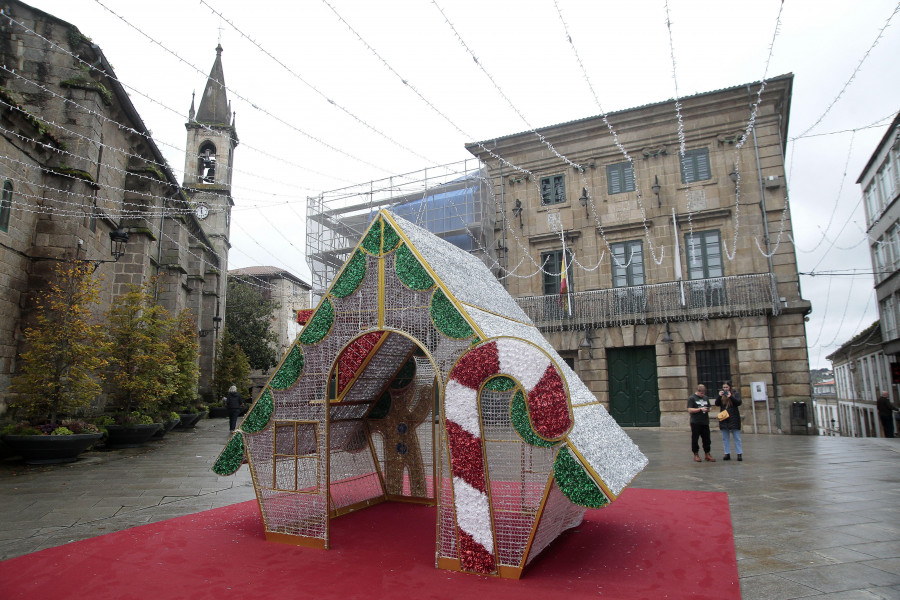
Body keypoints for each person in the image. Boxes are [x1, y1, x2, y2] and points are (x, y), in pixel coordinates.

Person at [687, 384, 715, 462]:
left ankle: (707, 453)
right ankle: (696, 454)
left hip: (705, 421)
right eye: (701, 393)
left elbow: (709, 406)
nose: (702, 395)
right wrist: (700, 409)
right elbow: (689, 409)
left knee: (707, 439)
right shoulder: (692, 398)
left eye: (703, 393)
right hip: (695, 421)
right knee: (695, 438)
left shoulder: (705, 398)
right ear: (698, 391)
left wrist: (708, 409)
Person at [715, 382, 743, 461]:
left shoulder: (735, 394)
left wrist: (730, 397)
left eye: (726, 387)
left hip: (733, 418)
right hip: (724, 418)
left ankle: (739, 453)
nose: (725, 389)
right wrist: (719, 396)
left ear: (730, 387)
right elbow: (717, 403)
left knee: (737, 437)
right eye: (724, 387)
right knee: (725, 437)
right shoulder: (722, 396)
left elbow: (738, 402)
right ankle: (727, 453)